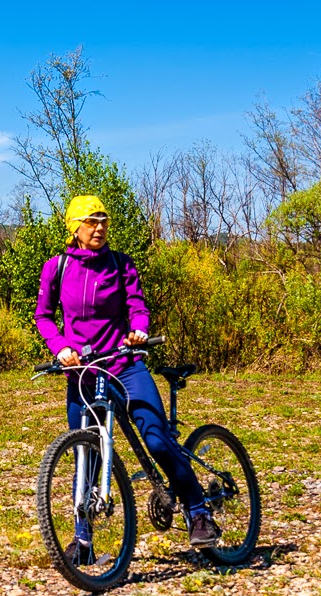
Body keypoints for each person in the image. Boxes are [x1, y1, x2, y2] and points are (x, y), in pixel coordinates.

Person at [34, 195, 220, 562]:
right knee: (86, 457)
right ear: (74, 228)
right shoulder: (55, 268)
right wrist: (59, 348)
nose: (99, 227)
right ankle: (82, 541)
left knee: (158, 440)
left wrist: (139, 329)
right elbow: (43, 316)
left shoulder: (121, 264)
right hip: (83, 373)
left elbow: (137, 307)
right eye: (91, 221)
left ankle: (199, 512)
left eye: (103, 220)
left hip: (124, 365)